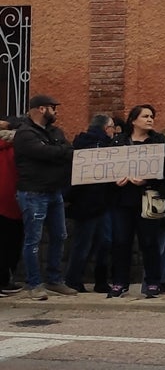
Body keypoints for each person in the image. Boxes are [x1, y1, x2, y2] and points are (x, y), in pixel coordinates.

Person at [13, 94, 76, 300]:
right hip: (33, 193)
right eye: (52, 108)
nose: (56, 112)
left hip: (54, 191)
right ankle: (34, 284)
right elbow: (45, 154)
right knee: (33, 240)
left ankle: (54, 280)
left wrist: (56, 152)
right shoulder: (24, 133)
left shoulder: (55, 131)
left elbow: (69, 150)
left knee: (60, 236)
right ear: (41, 109)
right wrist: (57, 152)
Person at [108, 105, 165, 298]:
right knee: (121, 241)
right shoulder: (119, 141)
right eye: (145, 116)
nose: (150, 119)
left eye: (152, 116)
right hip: (122, 199)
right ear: (133, 120)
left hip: (147, 198)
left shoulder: (159, 141)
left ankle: (153, 282)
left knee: (149, 241)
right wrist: (115, 180)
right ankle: (119, 282)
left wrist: (147, 180)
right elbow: (108, 166)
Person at [63, 113, 116, 293]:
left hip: (96, 202)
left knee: (101, 242)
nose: (114, 132)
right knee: (87, 243)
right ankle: (74, 279)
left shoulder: (81, 144)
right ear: (106, 129)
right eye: (112, 128)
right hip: (90, 202)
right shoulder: (98, 146)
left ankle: (94, 280)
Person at [0, 121, 22, 294]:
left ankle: (5, 280)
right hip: (12, 201)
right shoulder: (16, 147)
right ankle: (5, 280)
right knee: (11, 244)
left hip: (9, 201)